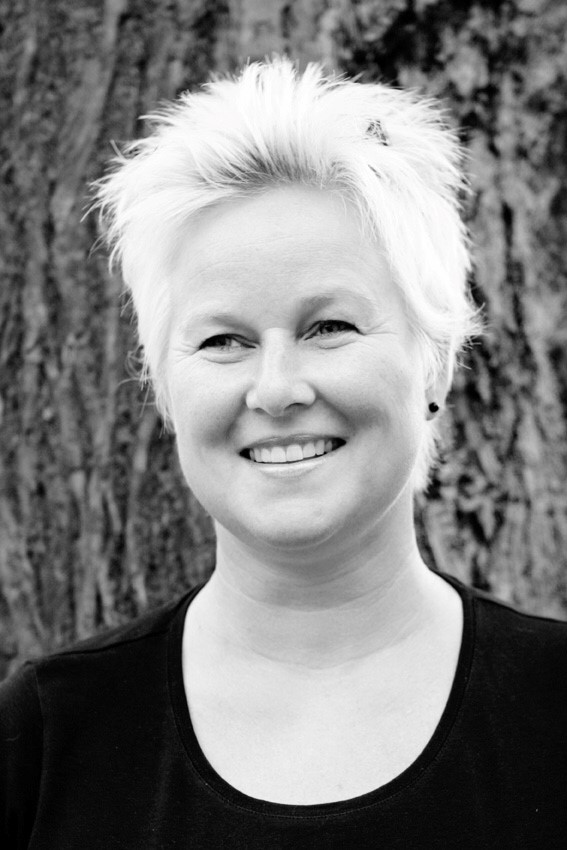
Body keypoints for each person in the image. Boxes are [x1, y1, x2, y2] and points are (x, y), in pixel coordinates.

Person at [1, 56, 566, 849]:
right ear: (166, 390)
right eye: (223, 340)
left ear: (434, 362)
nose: (274, 389)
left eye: (328, 327)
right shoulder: (46, 735)